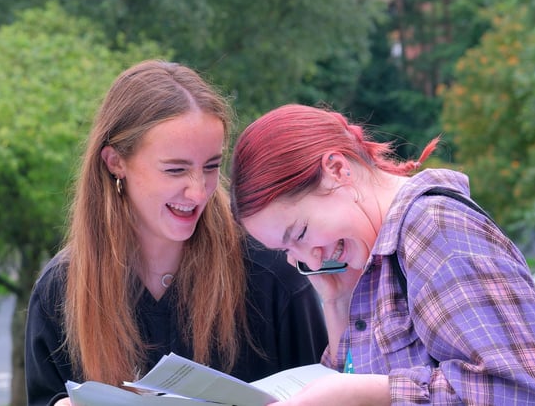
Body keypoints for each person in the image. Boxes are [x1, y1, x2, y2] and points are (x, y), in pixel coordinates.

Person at [229, 103, 535, 405]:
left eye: (301, 233)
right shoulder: (374, 261)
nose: (314, 261)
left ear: (337, 169)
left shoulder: (435, 229)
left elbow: (533, 394)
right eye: (289, 251)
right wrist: (336, 303)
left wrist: (374, 396)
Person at [25, 62, 328, 406]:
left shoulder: (270, 270)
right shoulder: (61, 289)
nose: (199, 192)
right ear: (114, 162)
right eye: (175, 170)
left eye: (211, 166)